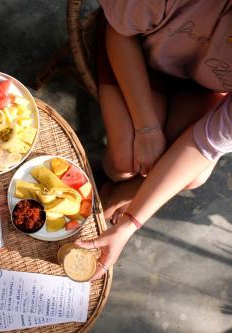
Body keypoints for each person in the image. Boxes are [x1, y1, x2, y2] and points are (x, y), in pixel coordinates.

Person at [78, 0, 231, 279]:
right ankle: (116, 181)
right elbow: (120, 33)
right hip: (135, 44)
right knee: (123, 162)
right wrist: (147, 128)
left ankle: (118, 194)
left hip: (200, 82)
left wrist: (130, 224)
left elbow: (206, 145)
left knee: (195, 175)